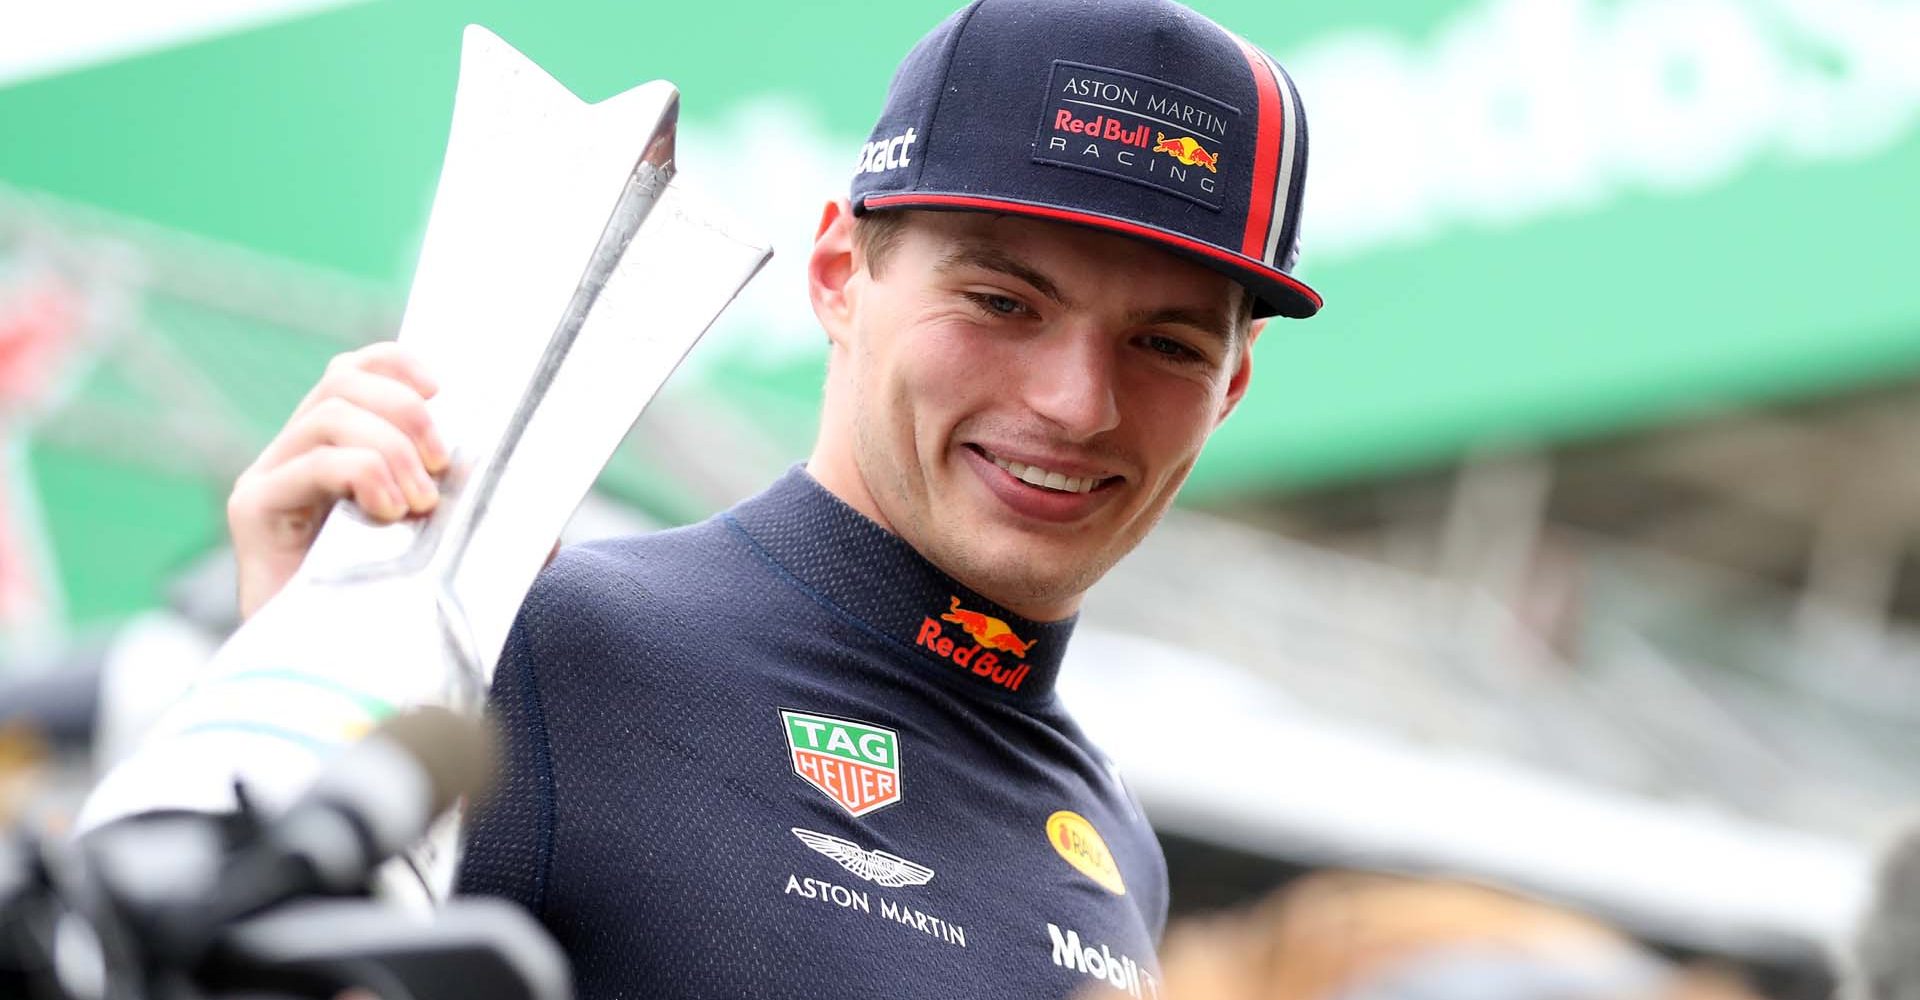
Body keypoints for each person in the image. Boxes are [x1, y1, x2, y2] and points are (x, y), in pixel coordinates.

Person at [226, 0, 1320, 995]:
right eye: (1001, 300)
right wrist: (296, 685)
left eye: (1165, 345)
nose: (1079, 404)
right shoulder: (540, 643)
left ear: (1229, 389)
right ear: (840, 272)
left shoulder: (1115, 837)